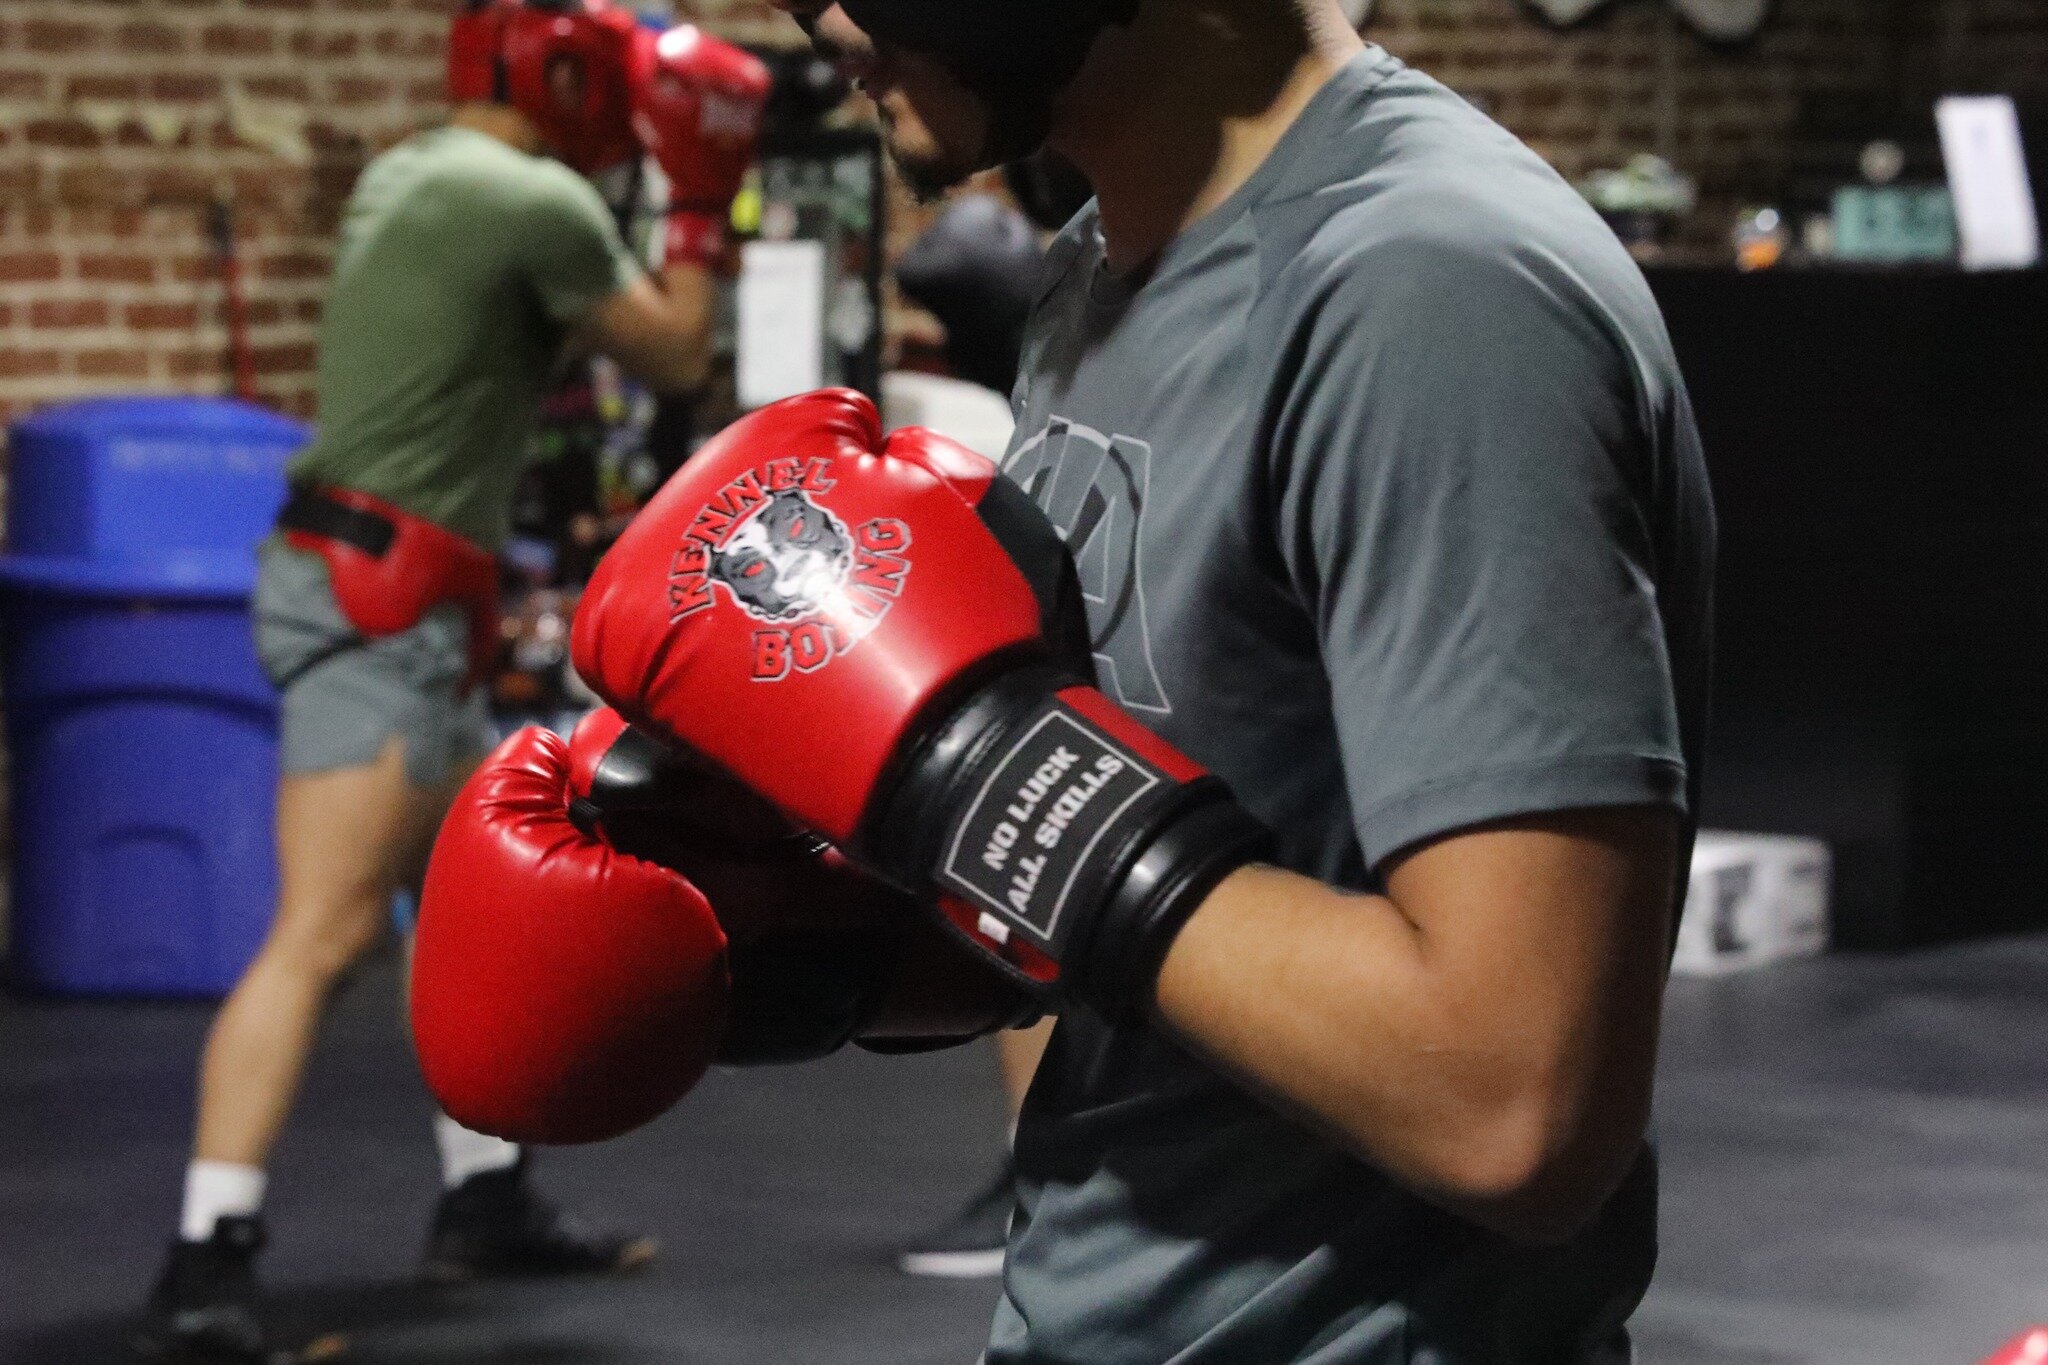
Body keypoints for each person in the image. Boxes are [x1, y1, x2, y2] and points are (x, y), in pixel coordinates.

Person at [418, 0, 1714, 1359]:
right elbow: (1150, 908)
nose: (816, 11)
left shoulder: (1431, 292)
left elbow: (1517, 1102)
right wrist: (798, 931)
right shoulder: (1105, 265)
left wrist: (969, 772)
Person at [137, 4, 767, 1361]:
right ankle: (203, 1262)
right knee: (324, 930)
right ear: (561, 71)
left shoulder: (415, 170)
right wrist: (703, 195)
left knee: (461, 905)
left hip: (377, 583)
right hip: (390, 609)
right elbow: (672, 348)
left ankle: (484, 1194)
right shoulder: (529, 196)